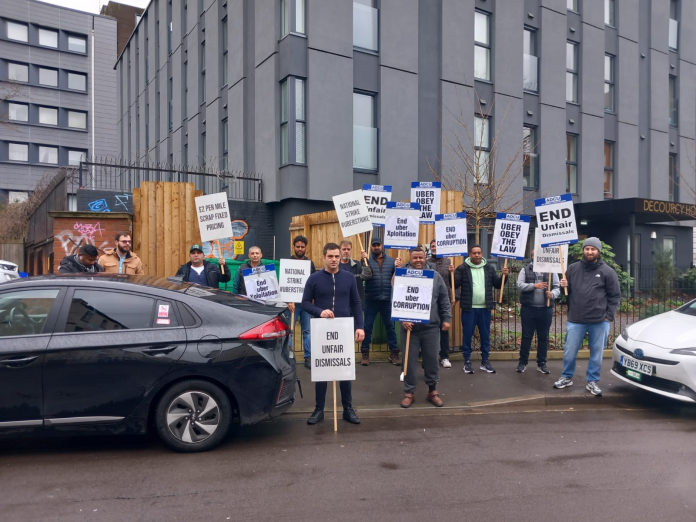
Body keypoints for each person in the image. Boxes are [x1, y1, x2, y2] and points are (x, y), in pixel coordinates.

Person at [301, 242, 365, 425]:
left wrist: (359, 326)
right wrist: (319, 311)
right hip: (322, 329)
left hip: (343, 329)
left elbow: (356, 303)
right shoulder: (314, 278)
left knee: (344, 370)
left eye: (337, 256)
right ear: (323, 257)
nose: (334, 259)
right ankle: (319, 409)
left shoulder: (349, 278)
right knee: (322, 370)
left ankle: (348, 408)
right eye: (330, 256)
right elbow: (305, 303)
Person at [555, 237, 621, 396]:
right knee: (570, 351)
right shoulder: (572, 269)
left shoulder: (607, 272)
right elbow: (567, 294)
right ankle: (567, 377)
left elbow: (615, 296)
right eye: (587, 249)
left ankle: (592, 381)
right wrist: (565, 287)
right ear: (583, 251)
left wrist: (608, 316)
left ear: (598, 251)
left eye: (593, 249)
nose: (589, 252)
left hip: (599, 321)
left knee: (596, 354)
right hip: (576, 319)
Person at [399, 247, 452, 408]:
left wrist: (447, 318)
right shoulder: (402, 276)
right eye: (415, 258)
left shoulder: (435, 277)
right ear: (410, 257)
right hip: (410, 329)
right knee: (408, 362)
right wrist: (402, 319)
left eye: (421, 258)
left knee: (431, 361)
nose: (418, 261)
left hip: (431, 327)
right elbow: (396, 299)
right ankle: (409, 392)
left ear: (425, 257)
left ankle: (432, 391)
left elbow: (444, 298)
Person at [454, 244, 508, 374]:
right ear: (470, 254)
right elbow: (455, 284)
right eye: (474, 253)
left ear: (482, 254)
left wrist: (504, 276)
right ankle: (467, 361)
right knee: (467, 335)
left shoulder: (489, 268)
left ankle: (485, 361)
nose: (477, 255)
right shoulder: (462, 268)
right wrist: (452, 272)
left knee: (485, 335)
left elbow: (496, 284)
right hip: (469, 308)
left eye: (479, 252)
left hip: (485, 308)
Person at [516, 249, 560, 374]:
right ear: (531, 257)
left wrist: (553, 294)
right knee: (526, 336)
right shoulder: (525, 270)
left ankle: (542, 363)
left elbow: (557, 287)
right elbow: (519, 285)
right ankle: (522, 362)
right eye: (534, 255)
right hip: (528, 309)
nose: (536, 257)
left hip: (546, 309)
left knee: (543, 337)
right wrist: (534, 286)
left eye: (538, 255)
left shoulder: (551, 270)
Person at [361, 239, 402, 366]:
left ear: (382, 246)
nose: (376, 247)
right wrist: (363, 261)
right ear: (371, 247)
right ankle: (365, 353)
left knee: (390, 327)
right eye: (374, 245)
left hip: (386, 299)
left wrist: (398, 267)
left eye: (378, 245)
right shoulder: (366, 260)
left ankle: (394, 353)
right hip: (371, 299)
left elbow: (400, 277)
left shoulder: (391, 261)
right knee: (367, 327)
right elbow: (364, 276)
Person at [289, 236, 316, 369]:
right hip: (292, 303)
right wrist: (288, 300)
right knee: (290, 331)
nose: (300, 249)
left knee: (307, 331)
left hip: (306, 303)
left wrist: (313, 298)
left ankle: (308, 357)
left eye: (302, 247)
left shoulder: (310, 263)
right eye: (298, 246)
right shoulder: (288, 261)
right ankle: (288, 357)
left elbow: (314, 282)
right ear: (294, 247)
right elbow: (284, 282)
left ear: (306, 248)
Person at [429, 239, 456, 368]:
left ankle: (444, 357)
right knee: (429, 329)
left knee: (444, 328)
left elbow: (453, 283)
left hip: (443, 299)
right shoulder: (427, 262)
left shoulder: (448, 262)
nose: (434, 248)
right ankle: (429, 356)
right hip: (430, 300)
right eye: (432, 246)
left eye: (436, 246)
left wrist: (452, 272)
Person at [338, 239, 372, 310]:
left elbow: (367, 275)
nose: (346, 251)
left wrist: (364, 261)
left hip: (355, 304)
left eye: (348, 249)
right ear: (339, 250)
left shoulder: (357, 265)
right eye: (344, 249)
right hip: (339, 303)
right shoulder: (335, 266)